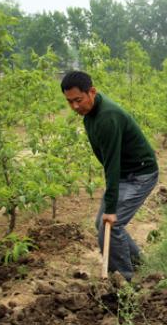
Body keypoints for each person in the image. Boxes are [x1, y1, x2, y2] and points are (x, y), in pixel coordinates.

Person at [61, 71, 158, 282]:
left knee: (111, 224)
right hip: (124, 173)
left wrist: (112, 208)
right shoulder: (89, 115)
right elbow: (108, 160)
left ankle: (123, 278)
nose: (75, 107)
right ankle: (139, 262)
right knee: (102, 223)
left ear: (92, 92)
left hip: (140, 174)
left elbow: (111, 164)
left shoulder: (108, 117)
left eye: (78, 100)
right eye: (70, 102)